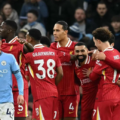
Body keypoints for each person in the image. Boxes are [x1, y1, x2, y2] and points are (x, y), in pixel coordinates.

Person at [18, 28, 63, 120]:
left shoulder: (29, 54)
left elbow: (24, 75)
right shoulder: (53, 52)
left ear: (30, 39)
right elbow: (61, 73)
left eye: (26, 37)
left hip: (41, 95)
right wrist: (52, 85)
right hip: (53, 93)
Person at [0, 20, 34, 120]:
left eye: (2, 28)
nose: (0, 30)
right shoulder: (2, 44)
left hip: (19, 88)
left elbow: (31, 50)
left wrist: (26, 43)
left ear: (10, 30)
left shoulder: (20, 43)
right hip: (5, 89)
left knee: (19, 118)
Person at [84, 28, 120, 120]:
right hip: (117, 96)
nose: (94, 44)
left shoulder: (102, 57)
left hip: (105, 96)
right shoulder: (116, 52)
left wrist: (89, 73)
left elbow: (93, 77)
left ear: (98, 41)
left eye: (94, 41)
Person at [50, 21, 80, 120]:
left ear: (65, 32)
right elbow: (55, 55)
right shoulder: (52, 47)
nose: (54, 33)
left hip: (71, 92)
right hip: (56, 92)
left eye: (57, 30)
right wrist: (68, 56)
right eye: (54, 30)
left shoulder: (76, 47)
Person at [0, 41, 24, 119]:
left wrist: (21, 94)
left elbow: (19, 77)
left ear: (0, 43)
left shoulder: (9, 57)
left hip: (6, 102)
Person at [74, 42, 98, 120]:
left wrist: (94, 73)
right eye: (77, 51)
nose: (80, 53)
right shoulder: (75, 66)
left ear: (87, 51)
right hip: (86, 102)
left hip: (98, 100)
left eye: (82, 51)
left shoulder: (95, 60)